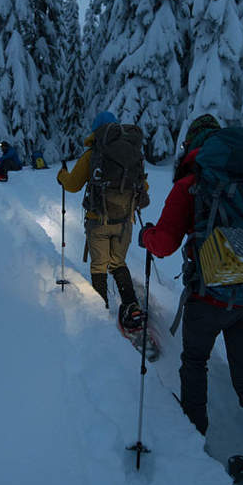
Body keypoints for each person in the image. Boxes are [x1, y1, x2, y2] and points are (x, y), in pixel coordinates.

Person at [137, 113, 243, 485]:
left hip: (209, 299)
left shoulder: (191, 186)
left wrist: (146, 236)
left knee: (194, 363)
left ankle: (193, 444)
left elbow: (166, 243)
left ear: (194, 148)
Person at [57, 111, 150, 330]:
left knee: (99, 265)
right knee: (118, 263)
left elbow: (72, 185)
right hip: (125, 221)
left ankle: (101, 309)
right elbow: (142, 187)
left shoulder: (92, 155)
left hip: (98, 219)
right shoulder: (133, 153)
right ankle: (131, 307)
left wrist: (61, 175)